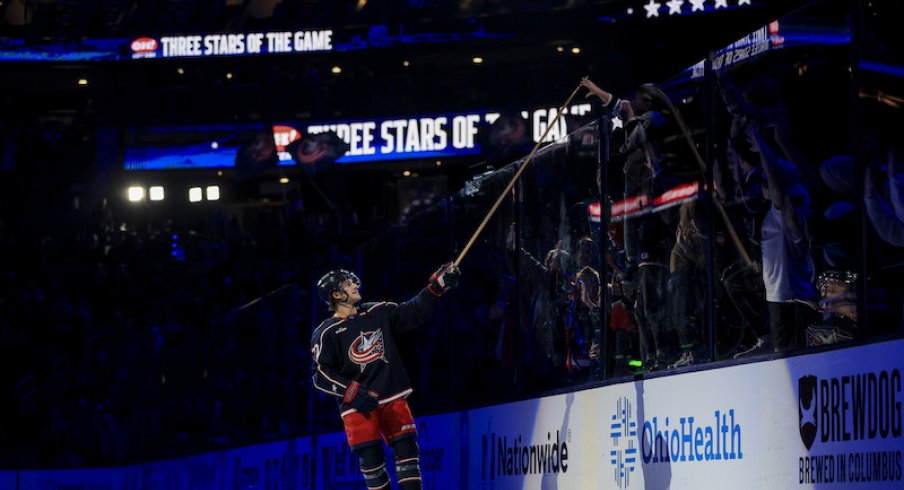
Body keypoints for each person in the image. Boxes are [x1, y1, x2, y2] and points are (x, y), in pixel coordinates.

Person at [311, 263, 460, 490]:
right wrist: (351, 391)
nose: (354, 286)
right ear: (336, 294)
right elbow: (321, 374)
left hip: (392, 395)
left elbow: (412, 312)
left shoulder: (377, 311)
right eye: (347, 284)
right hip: (358, 408)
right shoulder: (326, 332)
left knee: (408, 453)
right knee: (372, 464)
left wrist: (435, 288)